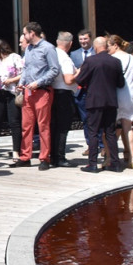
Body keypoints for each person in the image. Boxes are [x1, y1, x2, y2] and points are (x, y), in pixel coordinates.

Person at [74, 36, 125, 173]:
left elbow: (79, 80)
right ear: (106, 47)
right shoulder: (116, 62)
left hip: (94, 101)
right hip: (110, 101)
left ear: (95, 47)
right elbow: (121, 83)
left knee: (93, 132)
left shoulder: (90, 61)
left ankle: (93, 164)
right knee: (110, 133)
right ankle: (115, 163)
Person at [17, 21, 60, 171]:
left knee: (43, 126)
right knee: (26, 126)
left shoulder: (48, 48)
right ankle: (25, 156)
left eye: (24, 33)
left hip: (42, 91)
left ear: (31, 34)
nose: (23, 36)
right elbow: (26, 68)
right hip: (28, 92)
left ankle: (44, 158)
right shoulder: (28, 48)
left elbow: (55, 70)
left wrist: (38, 82)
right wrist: (21, 83)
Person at [107, 35, 133, 169]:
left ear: (115, 45)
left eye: (108, 46)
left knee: (111, 129)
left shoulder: (112, 59)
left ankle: (110, 157)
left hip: (115, 95)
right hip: (130, 95)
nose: (107, 49)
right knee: (128, 127)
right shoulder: (132, 58)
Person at [50, 32, 78, 168]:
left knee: (53, 126)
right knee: (62, 127)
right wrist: (80, 72)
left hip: (52, 93)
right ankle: (60, 157)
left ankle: (52, 156)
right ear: (71, 44)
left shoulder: (52, 54)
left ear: (57, 41)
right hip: (63, 94)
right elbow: (68, 80)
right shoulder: (65, 58)